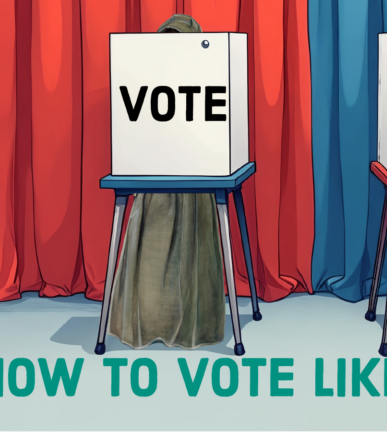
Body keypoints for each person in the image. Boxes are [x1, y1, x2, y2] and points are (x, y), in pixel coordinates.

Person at [107, 15, 227, 350]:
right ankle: (147, 320)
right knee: (153, 251)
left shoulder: (209, 82)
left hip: (195, 180)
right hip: (155, 180)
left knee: (190, 255)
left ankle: (190, 319)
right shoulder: (146, 82)